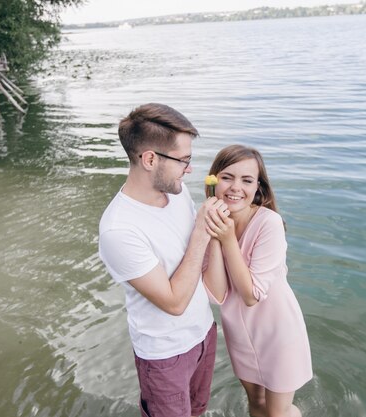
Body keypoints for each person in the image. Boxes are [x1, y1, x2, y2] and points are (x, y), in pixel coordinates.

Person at [98, 103, 229, 417]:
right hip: (164, 356)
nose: (190, 169)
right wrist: (201, 231)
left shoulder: (177, 192)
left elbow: (200, 265)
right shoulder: (119, 229)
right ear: (149, 159)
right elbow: (173, 303)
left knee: (198, 411)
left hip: (203, 334)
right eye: (183, 160)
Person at [202, 145, 313, 417]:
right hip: (240, 333)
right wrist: (216, 235)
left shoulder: (269, 224)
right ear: (214, 180)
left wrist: (227, 239)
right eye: (227, 177)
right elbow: (216, 294)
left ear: (258, 187)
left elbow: (251, 295)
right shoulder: (211, 220)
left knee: (277, 412)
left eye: (247, 180)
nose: (235, 187)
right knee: (256, 404)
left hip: (277, 332)